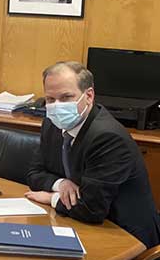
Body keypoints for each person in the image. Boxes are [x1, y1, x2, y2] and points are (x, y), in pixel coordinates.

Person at [25, 61, 160, 249]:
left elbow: (91, 208)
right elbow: (34, 173)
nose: (57, 106)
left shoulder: (107, 137)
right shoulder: (52, 124)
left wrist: (51, 198)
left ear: (89, 96)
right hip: (79, 223)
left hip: (124, 237)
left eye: (66, 97)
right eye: (50, 99)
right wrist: (61, 184)